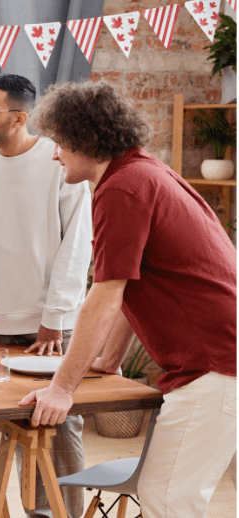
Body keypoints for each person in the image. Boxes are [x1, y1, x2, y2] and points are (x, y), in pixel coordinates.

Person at [21, 81, 236, 517]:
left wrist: (62, 388)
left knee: (168, 498)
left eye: (60, 142)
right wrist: (108, 359)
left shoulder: (122, 188)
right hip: (223, 356)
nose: (55, 153)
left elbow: (104, 296)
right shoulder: (142, 173)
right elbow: (129, 286)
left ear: (84, 140)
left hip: (213, 361)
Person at [0, 74, 92, 518]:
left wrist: (54, 316)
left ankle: (64, 515)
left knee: (58, 434)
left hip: (50, 328)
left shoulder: (59, 161)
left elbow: (77, 244)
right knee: (10, 433)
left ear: (19, 118)